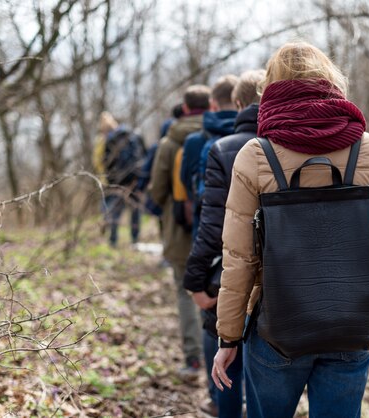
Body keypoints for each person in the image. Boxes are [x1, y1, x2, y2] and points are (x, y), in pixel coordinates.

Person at [212, 42, 369, 418]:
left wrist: (228, 336)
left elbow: (239, 259)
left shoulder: (256, 154)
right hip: (351, 323)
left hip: (277, 327)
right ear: (329, 81)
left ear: (272, 87)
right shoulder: (367, 149)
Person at [183, 70, 265, 418]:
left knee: (226, 350)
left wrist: (195, 280)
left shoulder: (224, 148)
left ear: (237, 103)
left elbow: (211, 223)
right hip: (278, 277)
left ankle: (226, 410)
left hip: (228, 272)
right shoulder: (291, 147)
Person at [149, 85, 211, 379]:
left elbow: (157, 190)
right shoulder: (221, 133)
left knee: (186, 292)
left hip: (179, 230)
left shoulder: (168, 142)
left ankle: (193, 359)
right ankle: (221, 363)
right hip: (216, 230)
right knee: (220, 290)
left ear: (185, 107)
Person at [180, 75, 239, 237]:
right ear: (239, 100)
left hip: (206, 225)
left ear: (213, 104)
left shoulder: (194, 141)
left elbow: (186, 178)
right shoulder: (257, 135)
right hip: (247, 227)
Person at [95, 111, 145, 247]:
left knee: (115, 211)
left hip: (117, 181)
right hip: (134, 179)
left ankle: (113, 240)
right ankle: (135, 240)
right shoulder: (133, 136)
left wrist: (110, 182)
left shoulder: (109, 140)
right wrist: (140, 179)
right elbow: (143, 157)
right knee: (135, 210)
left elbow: (105, 163)